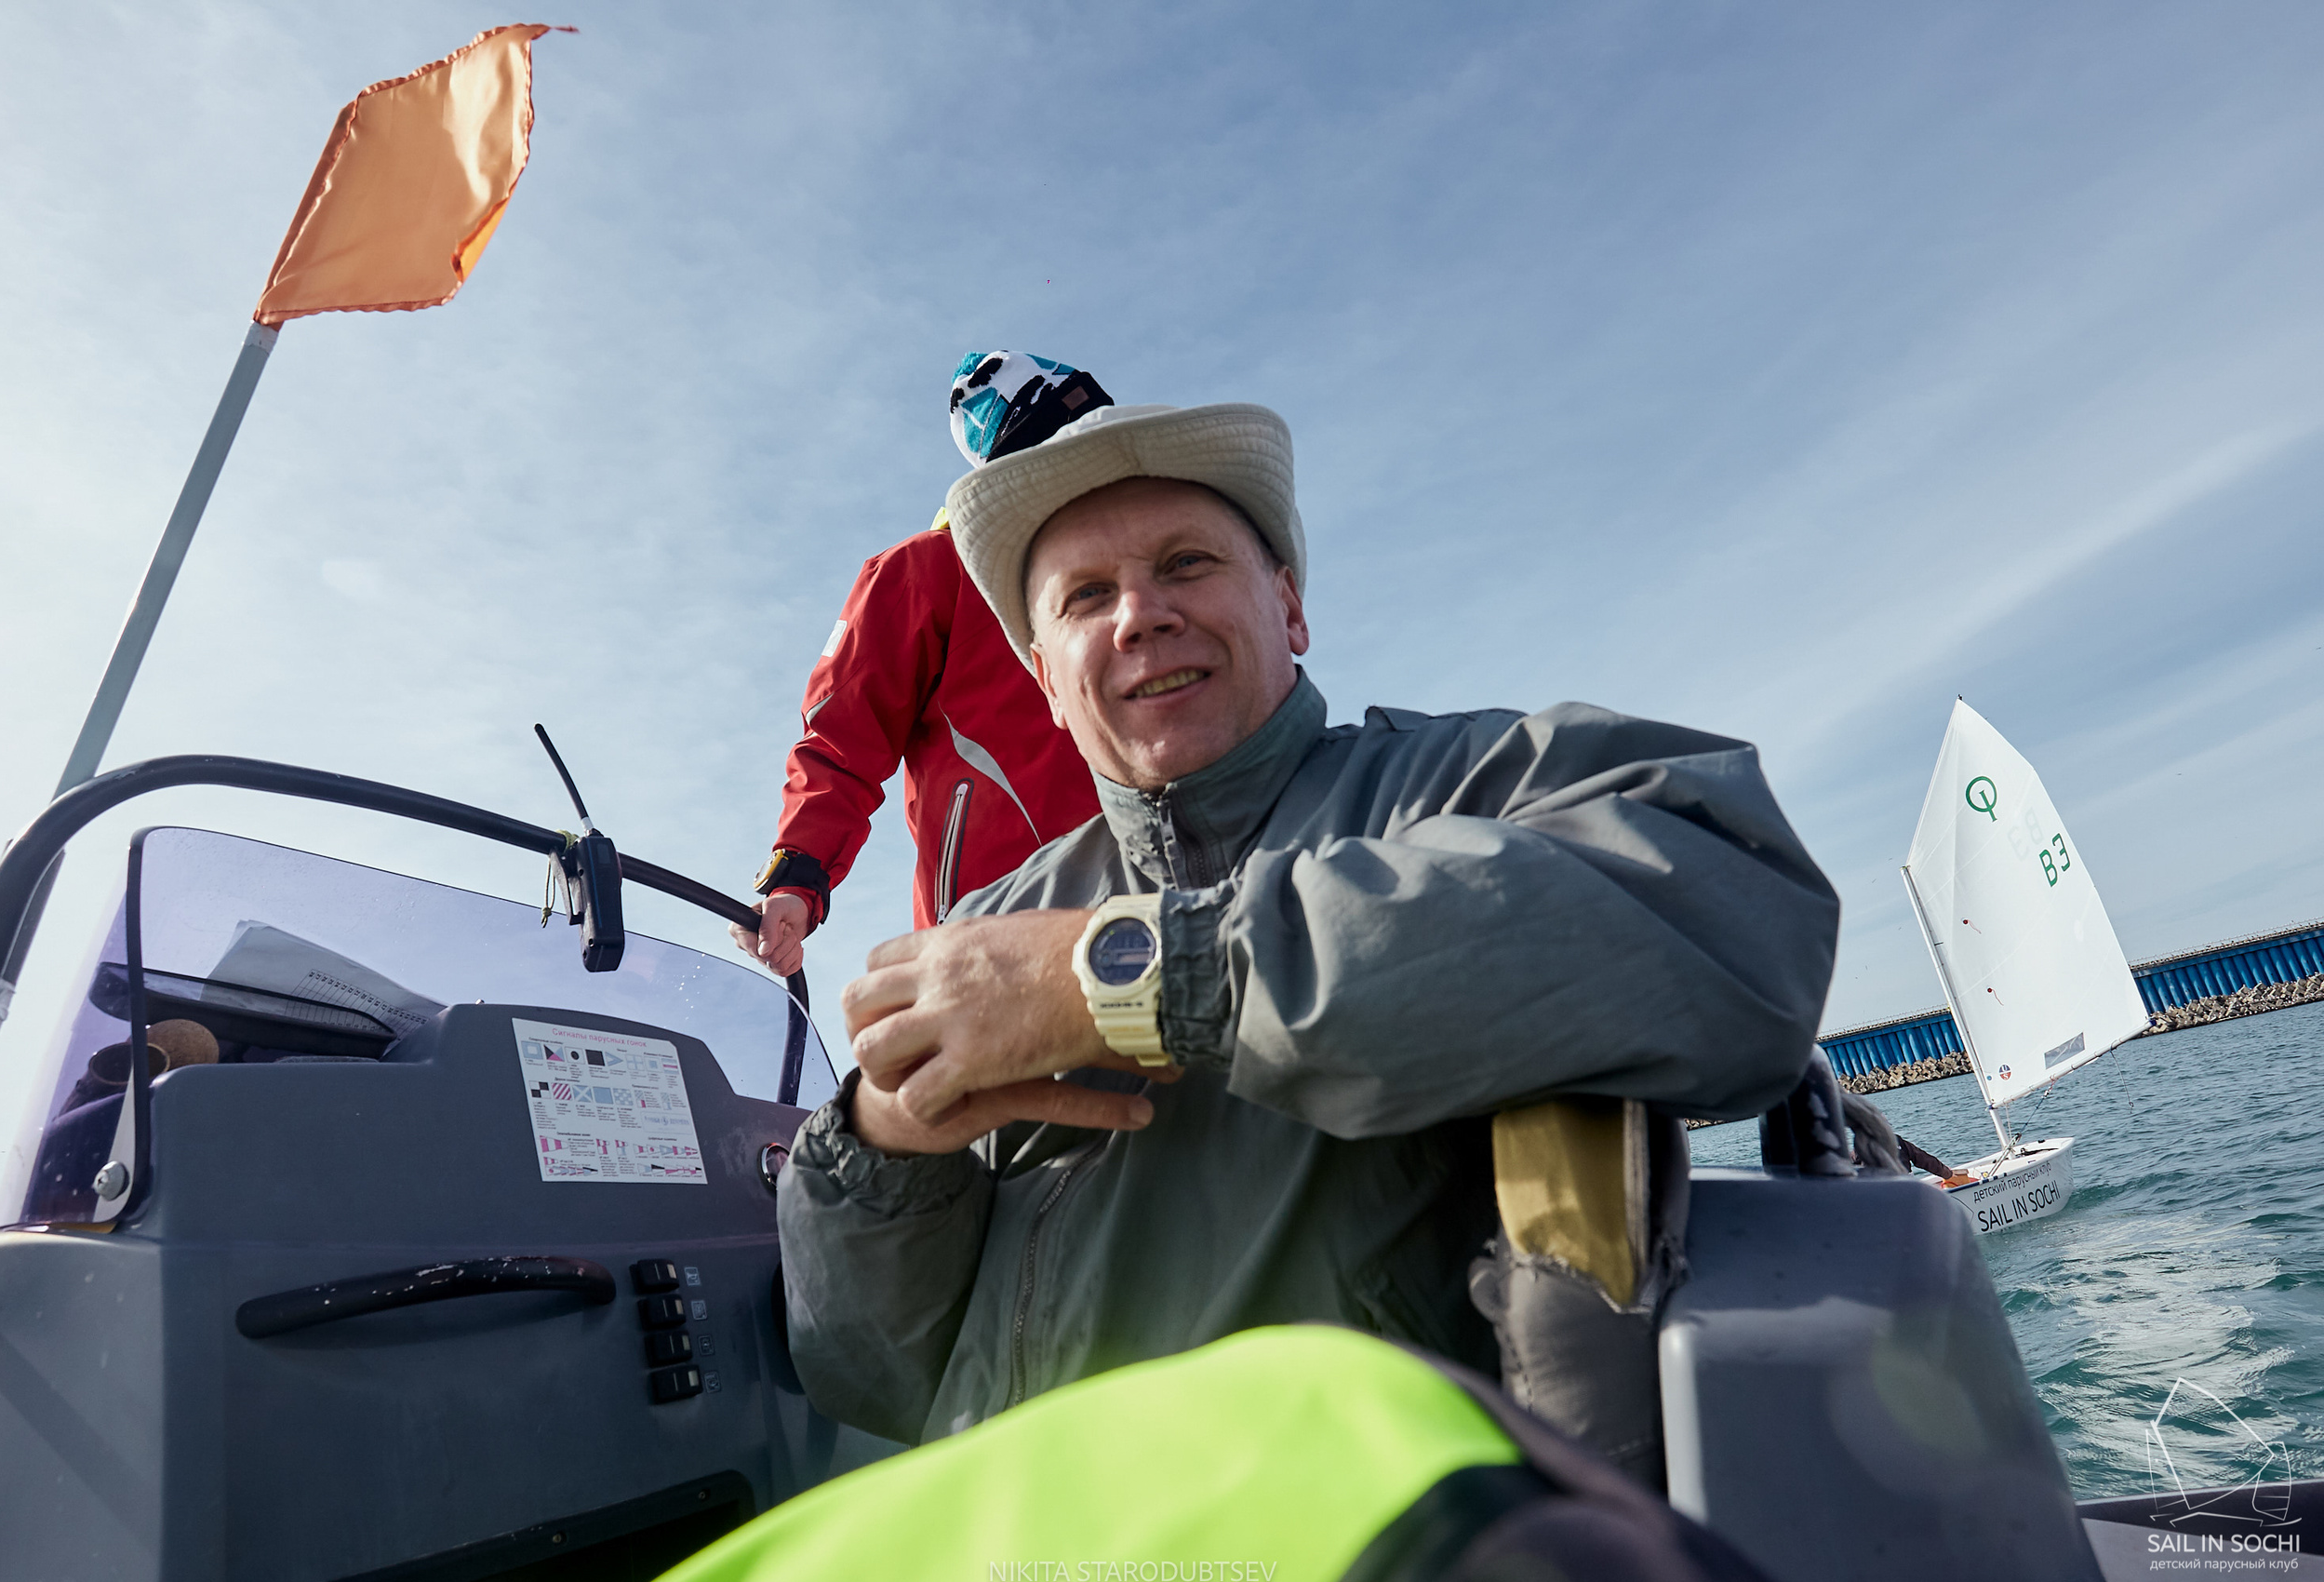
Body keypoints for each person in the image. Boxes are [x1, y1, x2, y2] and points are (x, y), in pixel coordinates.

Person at [776, 398, 1840, 1461]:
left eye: (1185, 564)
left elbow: (1733, 910)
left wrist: (1127, 975)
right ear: (1046, 681)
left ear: (1288, 609)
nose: (1138, 615)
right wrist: (886, 1150)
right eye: (1086, 596)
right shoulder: (986, 931)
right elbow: (867, 1378)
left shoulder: (1472, 786)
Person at [733, 352, 1114, 975]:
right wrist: (796, 874)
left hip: (1153, 925)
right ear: (1013, 458)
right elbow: (841, 737)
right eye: (1062, 441)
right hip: (991, 941)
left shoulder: (1136, 577)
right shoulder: (927, 572)